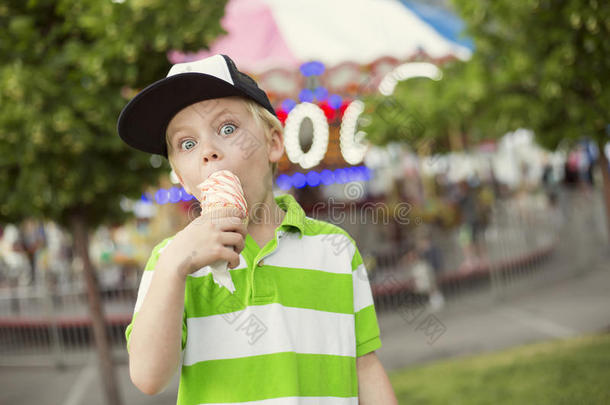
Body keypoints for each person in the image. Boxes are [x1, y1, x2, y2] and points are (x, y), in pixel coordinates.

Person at [117, 54, 397, 405]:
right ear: (181, 175)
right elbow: (148, 377)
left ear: (273, 143)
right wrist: (175, 266)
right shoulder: (170, 261)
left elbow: (364, 367)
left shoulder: (335, 249)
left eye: (228, 128)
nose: (208, 151)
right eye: (187, 144)